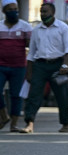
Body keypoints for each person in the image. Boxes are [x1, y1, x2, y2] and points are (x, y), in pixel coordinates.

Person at [20, 3, 68, 133]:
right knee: (34, 95)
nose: (43, 14)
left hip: (58, 66)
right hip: (40, 65)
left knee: (62, 95)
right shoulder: (37, 30)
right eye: (41, 11)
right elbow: (32, 53)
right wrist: (29, 73)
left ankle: (65, 124)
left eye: (45, 11)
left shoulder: (63, 28)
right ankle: (30, 123)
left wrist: (64, 65)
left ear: (53, 12)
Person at [0, 0, 32, 132]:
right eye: (10, 9)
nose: (14, 12)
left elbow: (31, 46)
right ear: (4, 11)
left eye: (16, 9)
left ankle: (13, 124)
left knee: (16, 95)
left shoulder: (25, 26)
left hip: (18, 66)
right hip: (0, 66)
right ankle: (4, 115)